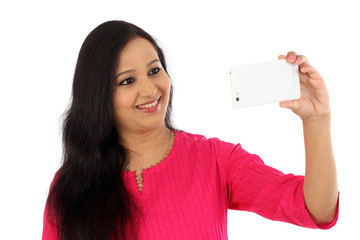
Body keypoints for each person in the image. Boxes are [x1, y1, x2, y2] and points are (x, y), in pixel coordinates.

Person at [42, 20, 339, 240]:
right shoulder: (72, 185)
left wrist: (317, 120)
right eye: (127, 81)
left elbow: (315, 209)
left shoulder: (216, 159)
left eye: (154, 70)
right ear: (98, 96)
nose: (150, 89)